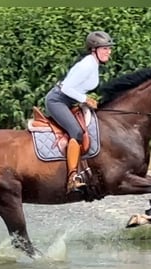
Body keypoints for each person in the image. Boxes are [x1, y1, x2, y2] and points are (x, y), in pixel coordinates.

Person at [45, 31, 114, 194]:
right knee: (76, 132)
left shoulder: (93, 64)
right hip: (57, 101)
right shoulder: (87, 64)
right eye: (105, 48)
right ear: (94, 49)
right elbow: (66, 87)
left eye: (109, 48)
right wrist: (84, 99)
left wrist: (86, 99)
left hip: (68, 101)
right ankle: (72, 178)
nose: (109, 51)